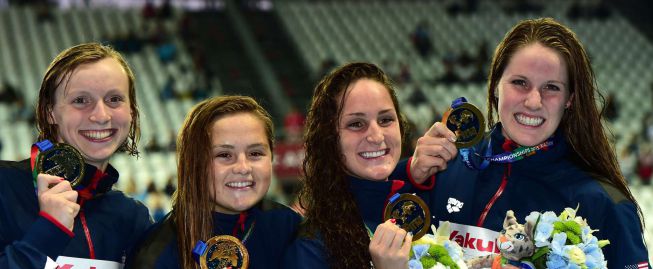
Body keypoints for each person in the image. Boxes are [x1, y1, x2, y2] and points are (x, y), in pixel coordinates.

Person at [405, 18, 650, 266]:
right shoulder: (446, 164)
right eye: (520, 82)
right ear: (496, 84)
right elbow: (370, 239)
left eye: (551, 87)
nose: (534, 101)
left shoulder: (602, 202)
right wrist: (410, 178)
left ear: (569, 99)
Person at [0, 43, 152, 268]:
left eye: (114, 99)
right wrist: (49, 229)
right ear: (49, 111)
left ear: (131, 110)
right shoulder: (4, 187)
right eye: (81, 100)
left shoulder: (131, 216)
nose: (101, 116)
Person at [284, 62, 451, 268]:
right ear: (329, 138)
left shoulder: (425, 205)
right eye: (356, 124)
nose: (376, 136)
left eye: (385, 119)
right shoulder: (311, 244)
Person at [126, 96, 302, 268]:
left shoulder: (293, 229)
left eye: (255, 153)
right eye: (224, 155)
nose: (243, 167)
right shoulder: (156, 252)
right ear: (194, 163)